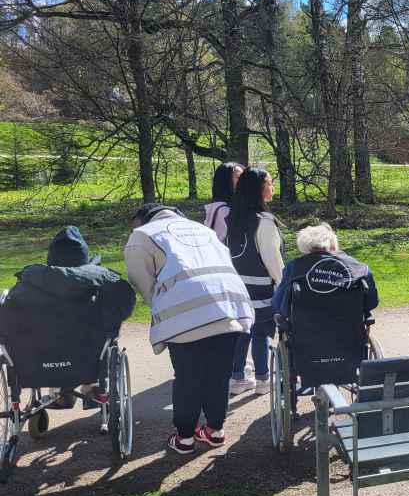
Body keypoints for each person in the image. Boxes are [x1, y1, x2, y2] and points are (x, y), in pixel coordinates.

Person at [124, 204, 252, 454]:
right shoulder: (202, 230)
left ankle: (184, 437)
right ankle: (215, 430)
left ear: (142, 220)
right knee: (219, 372)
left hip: (184, 310)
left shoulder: (143, 235)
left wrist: (161, 305)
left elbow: (140, 279)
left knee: (187, 376)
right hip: (230, 304)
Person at [0, 226, 136, 408]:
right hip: (87, 363)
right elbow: (124, 306)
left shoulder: (26, 288)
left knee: (49, 338)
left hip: (36, 367)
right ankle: (91, 389)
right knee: (102, 338)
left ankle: (58, 392)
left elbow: (7, 324)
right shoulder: (100, 283)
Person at [227, 168, 285, 395]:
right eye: (270, 183)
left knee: (242, 332)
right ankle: (262, 379)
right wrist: (283, 282)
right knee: (261, 333)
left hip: (237, 285)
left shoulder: (233, 218)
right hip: (261, 285)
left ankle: (237, 377)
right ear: (259, 189)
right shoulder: (264, 222)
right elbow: (272, 258)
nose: (272, 187)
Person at [274, 223, 378, 320]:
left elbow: (278, 304)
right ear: (332, 242)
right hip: (350, 335)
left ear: (303, 244)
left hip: (304, 335)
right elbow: (372, 302)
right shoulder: (358, 268)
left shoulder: (294, 267)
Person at [204, 162, 245, 242]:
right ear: (225, 181)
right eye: (238, 177)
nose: (243, 182)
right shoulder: (224, 211)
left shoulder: (218, 206)